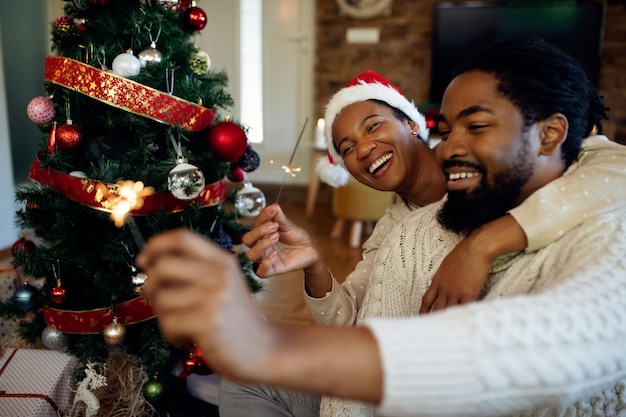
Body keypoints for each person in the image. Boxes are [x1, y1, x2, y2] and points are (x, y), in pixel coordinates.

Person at [139, 37, 626, 416]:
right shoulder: (403, 232)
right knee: (247, 386)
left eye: (373, 126)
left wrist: (482, 244)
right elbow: (363, 316)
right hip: (373, 394)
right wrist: (313, 267)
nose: (454, 147)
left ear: (413, 125)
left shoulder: (582, 209)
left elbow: (610, 169)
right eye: (346, 147)